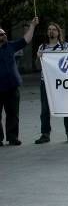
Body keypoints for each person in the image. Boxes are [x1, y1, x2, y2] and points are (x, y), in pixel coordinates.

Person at [35, 22, 68, 144]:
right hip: (46, 83)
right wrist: (38, 58)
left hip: (62, 83)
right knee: (45, 109)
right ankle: (45, 134)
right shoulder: (42, 47)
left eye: (54, 29)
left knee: (66, 108)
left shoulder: (65, 47)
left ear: (58, 32)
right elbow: (38, 67)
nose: (51, 31)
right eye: (49, 29)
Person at [0, 17, 38, 146]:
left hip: (12, 86)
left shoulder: (11, 46)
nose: (4, 35)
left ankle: (12, 137)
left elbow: (26, 40)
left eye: (4, 33)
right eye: (1, 34)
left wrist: (32, 25)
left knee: (13, 114)